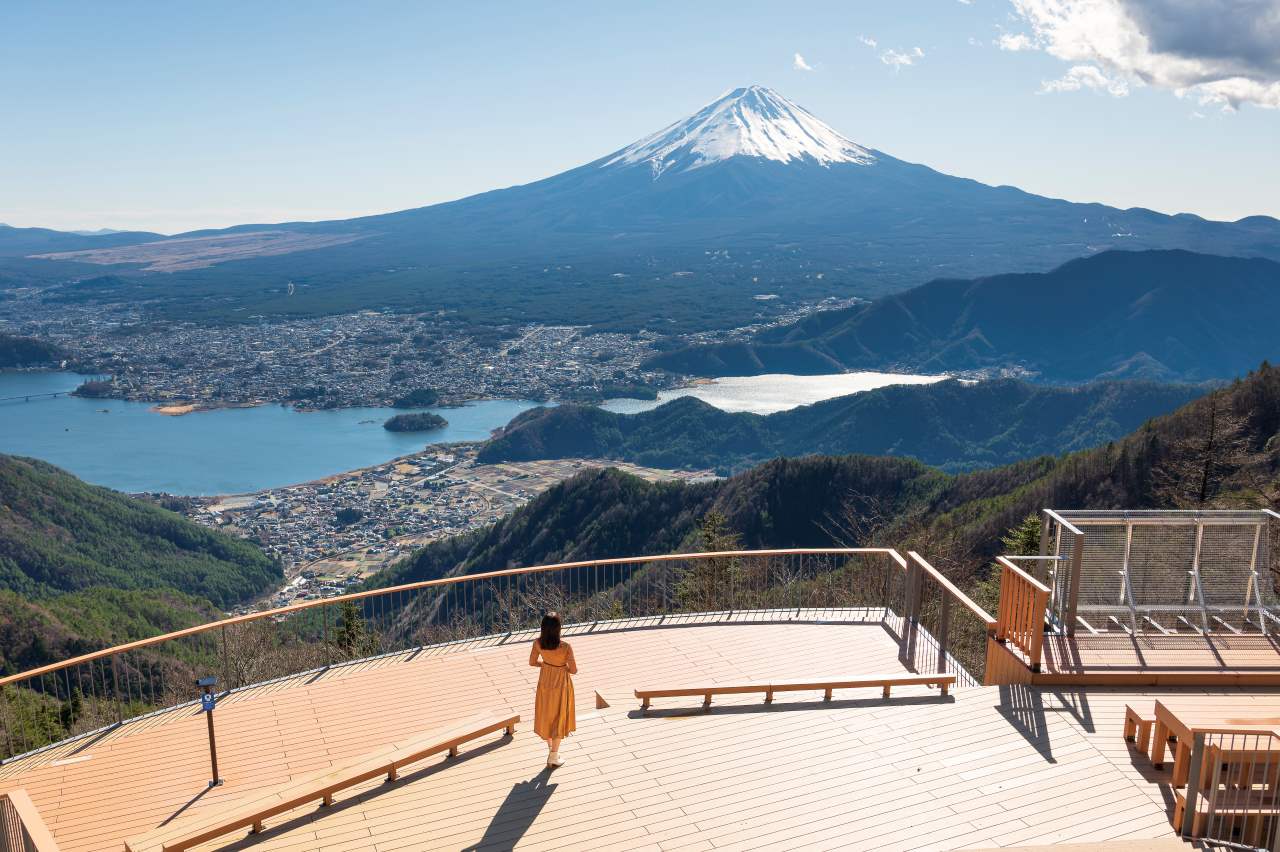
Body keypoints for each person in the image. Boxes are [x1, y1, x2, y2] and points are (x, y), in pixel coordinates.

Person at [529, 612, 576, 767]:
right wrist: (562, 668)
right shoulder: (565, 647)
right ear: (558, 629)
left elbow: (532, 662)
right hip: (561, 683)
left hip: (545, 681)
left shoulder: (537, 643)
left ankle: (551, 750)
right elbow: (574, 670)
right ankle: (554, 756)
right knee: (559, 717)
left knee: (547, 715)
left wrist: (545, 665)